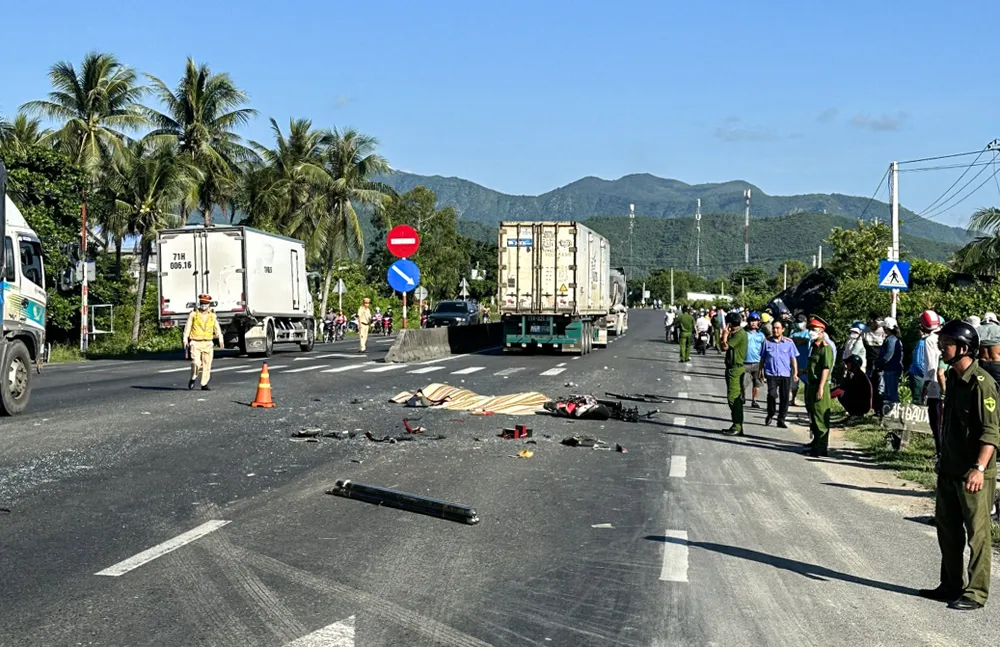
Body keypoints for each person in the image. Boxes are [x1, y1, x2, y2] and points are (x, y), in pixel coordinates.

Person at [919, 319, 998, 611]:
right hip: (950, 468)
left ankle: (975, 593)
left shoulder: (982, 384)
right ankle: (950, 584)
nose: (941, 346)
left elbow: (991, 433)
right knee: (948, 530)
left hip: (973, 473)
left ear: (964, 348)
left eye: (947, 343)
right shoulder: (952, 378)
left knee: (978, 536)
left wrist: (978, 469)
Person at [804, 316, 834, 457]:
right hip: (811, 384)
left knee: (820, 417)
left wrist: (821, 387)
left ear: (822, 332)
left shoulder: (825, 348)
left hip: (819, 385)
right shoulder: (814, 346)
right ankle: (815, 443)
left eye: (814, 330)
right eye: (810, 329)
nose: (811, 332)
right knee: (813, 415)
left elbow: (825, 369)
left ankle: (822, 447)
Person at [759, 318, 798, 427]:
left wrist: (795, 373)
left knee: (785, 398)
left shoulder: (789, 343)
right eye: (774, 328)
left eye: (778, 328)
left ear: (783, 330)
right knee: (772, 395)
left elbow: (793, 358)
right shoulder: (766, 342)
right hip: (771, 373)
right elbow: (762, 358)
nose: (775, 330)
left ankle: (781, 419)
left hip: (785, 374)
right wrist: (760, 370)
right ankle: (771, 413)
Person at [182, 293, 224, 391]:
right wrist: (185, 338)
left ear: (209, 304)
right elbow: (187, 327)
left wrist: (220, 338)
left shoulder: (212, 315)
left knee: (207, 364)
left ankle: (204, 383)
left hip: (208, 343)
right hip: (195, 342)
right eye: (202, 303)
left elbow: (217, 328)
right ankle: (193, 377)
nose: (204, 305)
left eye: (206, 303)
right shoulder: (193, 314)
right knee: (196, 362)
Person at [919, 311, 943, 453]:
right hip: (948, 381)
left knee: (935, 420)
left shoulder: (929, 340)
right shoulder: (946, 335)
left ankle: (939, 451)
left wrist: (925, 387)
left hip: (935, 384)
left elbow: (930, 367)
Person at [721, 312, 748, 436]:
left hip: (736, 369)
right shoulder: (737, 333)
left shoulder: (740, 334)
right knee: (733, 397)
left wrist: (725, 334)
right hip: (732, 368)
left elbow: (725, 347)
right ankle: (736, 424)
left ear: (730, 324)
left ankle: (737, 425)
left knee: (733, 398)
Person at [876, 316, 904, 409]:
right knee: (889, 392)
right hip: (892, 369)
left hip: (891, 369)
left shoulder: (891, 340)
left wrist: (879, 363)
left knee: (891, 393)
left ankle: (893, 413)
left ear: (886, 328)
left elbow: (888, 355)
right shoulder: (894, 339)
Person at [743, 312, 766, 408]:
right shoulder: (744, 333)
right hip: (745, 362)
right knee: (743, 383)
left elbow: (764, 348)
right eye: (752, 321)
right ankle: (742, 396)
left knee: (757, 383)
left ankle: (754, 400)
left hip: (758, 362)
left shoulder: (761, 335)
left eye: (755, 321)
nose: (753, 323)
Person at [790, 314, 811, 406]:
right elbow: (791, 342)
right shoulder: (793, 333)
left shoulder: (809, 333)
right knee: (794, 382)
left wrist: (797, 341)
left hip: (805, 361)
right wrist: (800, 341)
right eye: (798, 322)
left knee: (807, 382)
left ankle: (808, 400)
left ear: (806, 322)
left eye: (801, 322)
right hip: (794, 361)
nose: (799, 324)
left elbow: (805, 341)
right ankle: (793, 399)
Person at [976, 312, 1000, 384]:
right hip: (997, 363)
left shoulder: (978, 330)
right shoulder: (999, 329)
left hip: (983, 364)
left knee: (984, 387)